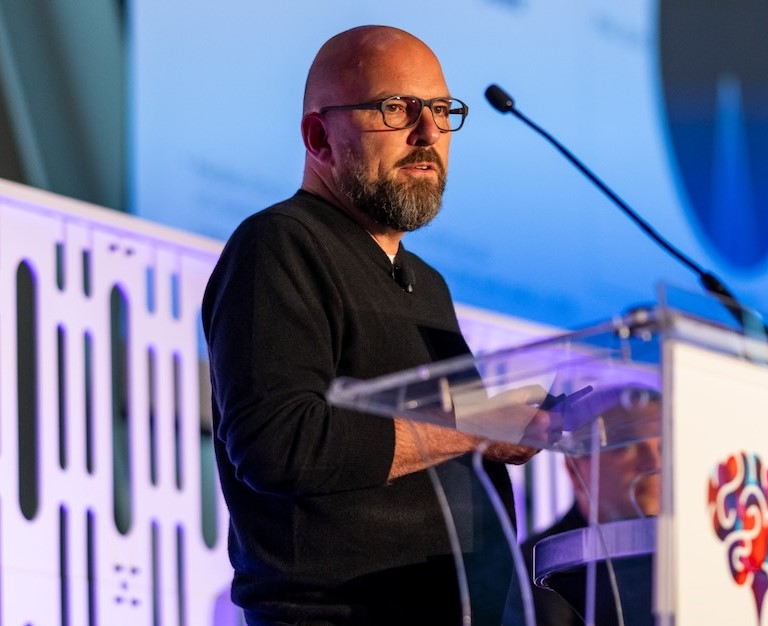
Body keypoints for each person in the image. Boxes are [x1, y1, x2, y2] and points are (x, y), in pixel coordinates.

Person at [202, 25, 544, 625]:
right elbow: (280, 446)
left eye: (440, 110)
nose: (429, 133)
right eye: (396, 109)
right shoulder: (278, 245)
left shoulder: (428, 284)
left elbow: (453, 446)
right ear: (318, 137)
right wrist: (476, 422)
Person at [504, 397, 662, 626]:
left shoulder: (695, 556)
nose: (654, 463)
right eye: (627, 445)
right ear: (575, 467)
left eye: (664, 448)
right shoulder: (530, 573)